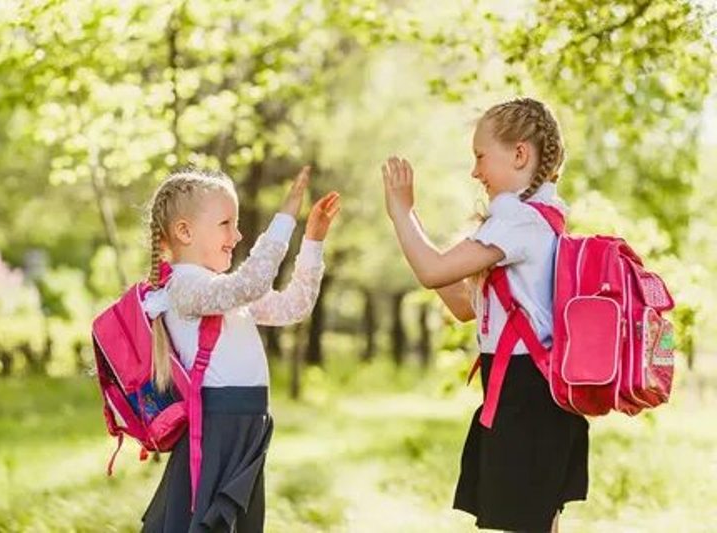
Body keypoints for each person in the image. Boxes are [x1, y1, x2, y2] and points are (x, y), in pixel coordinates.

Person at [381, 97, 588, 532]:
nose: (475, 172)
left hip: (526, 396)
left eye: (480, 156)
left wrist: (401, 210)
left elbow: (433, 270)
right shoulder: (535, 221)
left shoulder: (520, 221)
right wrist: (422, 238)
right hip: (522, 391)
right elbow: (459, 305)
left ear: (519, 154)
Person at [140, 166, 340, 532]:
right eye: (226, 224)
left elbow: (293, 306)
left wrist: (312, 242)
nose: (238, 234)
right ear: (184, 231)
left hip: (247, 426)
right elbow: (249, 284)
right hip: (216, 427)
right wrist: (284, 220)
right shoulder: (183, 288)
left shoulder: (221, 288)